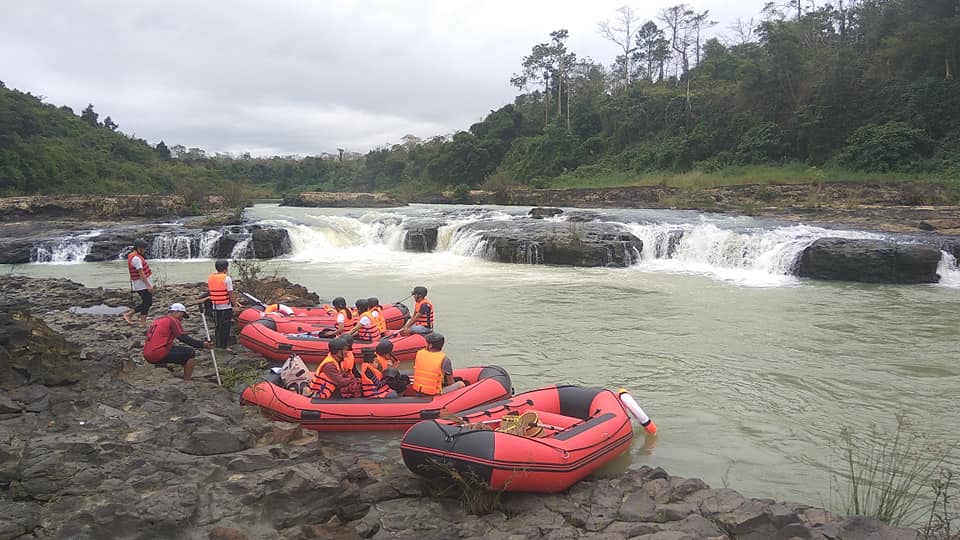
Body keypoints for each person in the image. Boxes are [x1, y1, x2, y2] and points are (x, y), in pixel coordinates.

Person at [142, 303, 213, 381]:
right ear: (176, 312)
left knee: (173, 348)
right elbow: (183, 338)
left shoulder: (158, 320)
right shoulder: (172, 320)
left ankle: (162, 366)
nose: (182, 319)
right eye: (182, 315)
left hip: (147, 353)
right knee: (190, 353)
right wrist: (202, 344)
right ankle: (187, 381)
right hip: (156, 354)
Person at [207, 259, 240, 351]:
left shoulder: (211, 277)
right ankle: (224, 346)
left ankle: (218, 344)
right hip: (225, 307)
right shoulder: (227, 278)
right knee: (225, 327)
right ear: (226, 268)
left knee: (218, 326)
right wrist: (235, 306)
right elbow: (230, 293)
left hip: (215, 306)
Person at [122, 238, 153, 326]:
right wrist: (148, 286)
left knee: (146, 303)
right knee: (147, 303)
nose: (145, 250)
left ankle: (142, 322)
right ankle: (129, 314)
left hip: (142, 284)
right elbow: (141, 274)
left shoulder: (133, 256)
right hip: (142, 285)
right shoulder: (136, 259)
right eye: (144, 248)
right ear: (139, 249)